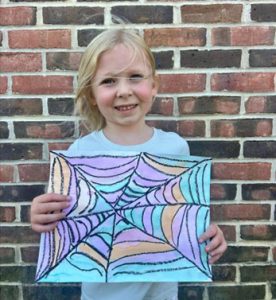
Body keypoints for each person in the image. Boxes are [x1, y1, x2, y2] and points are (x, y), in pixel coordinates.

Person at [31, 29, 227, 300]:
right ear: (91, 94)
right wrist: (41, 216)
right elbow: (61, 223)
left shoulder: (176, 149)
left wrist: (209, 236)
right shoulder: (79, 154)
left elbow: (181, 216)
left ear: (154, 85)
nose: (124, 91)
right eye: (109, 81)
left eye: (135, 77)